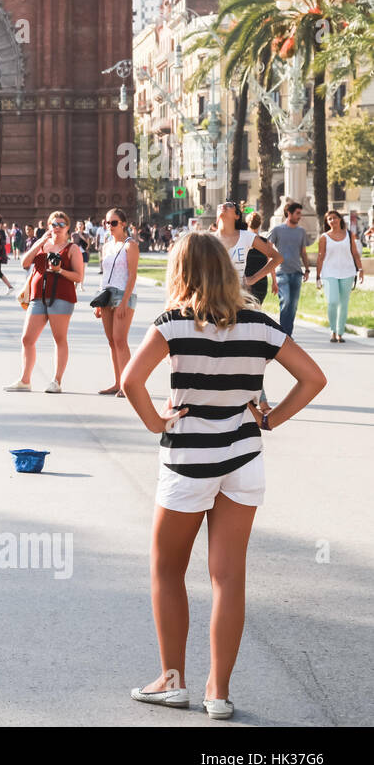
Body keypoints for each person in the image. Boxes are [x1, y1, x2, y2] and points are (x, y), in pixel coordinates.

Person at [121, 233, 325, 720]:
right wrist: (269, 420)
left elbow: (131, 380)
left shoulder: (173, 323)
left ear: (182, 271)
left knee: (167, 570)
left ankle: (172, 681)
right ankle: (219, 692)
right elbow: (314, 378)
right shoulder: (259, 324)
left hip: (188, 461)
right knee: (228, 577)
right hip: (242, 458)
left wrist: (157, 421)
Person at [4, 212, 83, 393]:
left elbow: (79, 276)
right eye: (54, 224)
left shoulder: (72, 249)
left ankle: (56, 381)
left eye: (61, 224)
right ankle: (25, 380)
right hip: (37, 297)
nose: (57, 227)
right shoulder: (42, 245)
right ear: (48, 226)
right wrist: (40, 242)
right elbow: (25, 263)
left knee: (59, 339)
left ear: (67, 228)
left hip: (61, 297)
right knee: (27, 339)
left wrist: (60, 270)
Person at [94, 208, 140, 396]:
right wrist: (98, 299)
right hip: (106, 294)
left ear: (123, 224)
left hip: (123, 295)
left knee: (120, 340)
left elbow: (132, 275)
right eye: (107, 223)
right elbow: (104, 275)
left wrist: (124, 302)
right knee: (112, 341)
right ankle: (117, 382)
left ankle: (127, 385)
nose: (109, 226)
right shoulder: (106, 246)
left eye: (114, 223)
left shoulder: (131, 245)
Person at [212, 202, 281, 304]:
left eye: (229, 205)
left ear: (237, 216)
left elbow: (277, 258)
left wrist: (253, 279)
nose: (223, 206)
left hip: (238, 296)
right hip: (214, 296)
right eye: (220, 206)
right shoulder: (208, 239)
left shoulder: (246, 237)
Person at [315, 208, 364, 343]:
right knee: (332, 301)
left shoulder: (349, 235)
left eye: (334, 218)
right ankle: (333, 330)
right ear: (327, 222)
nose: (332, 220)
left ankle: (340, 333)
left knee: (343, 304)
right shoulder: (324, 237)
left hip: (347, 272)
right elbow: (320, 257)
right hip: (329, 273)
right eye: (329, 219)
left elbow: (355, 253)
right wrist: (318, 277)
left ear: (340, 219)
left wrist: (360, 269)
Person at [265, 203, 311, 337]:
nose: (300, 216)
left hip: (296, 273)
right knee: (286, 301)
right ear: (289, 213)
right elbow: (268, 251)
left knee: (293, 306)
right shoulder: (277, 230)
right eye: (297, 213)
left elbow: (303, 252)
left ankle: (287, 336)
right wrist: (272, 277)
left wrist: (307, 269)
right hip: (281, 272)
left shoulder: (301, 231)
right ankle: (283, 335)